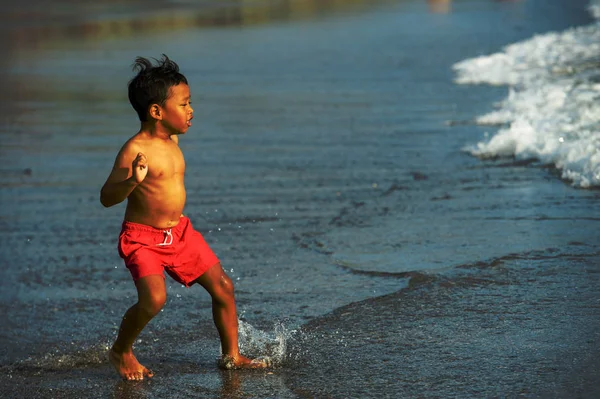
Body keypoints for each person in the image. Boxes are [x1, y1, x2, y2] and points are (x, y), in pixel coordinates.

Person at [100, 54, 269, 381]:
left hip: (179, 233)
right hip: (143, 238)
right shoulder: (135, 149)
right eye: (184, 104)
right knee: (154, 299)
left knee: (223, 287)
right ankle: (121, 350)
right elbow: (106, 197)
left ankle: (232, 356)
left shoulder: (172, 138)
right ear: (156, 112)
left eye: (190, 102)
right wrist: (133, 179)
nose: (191, 110)